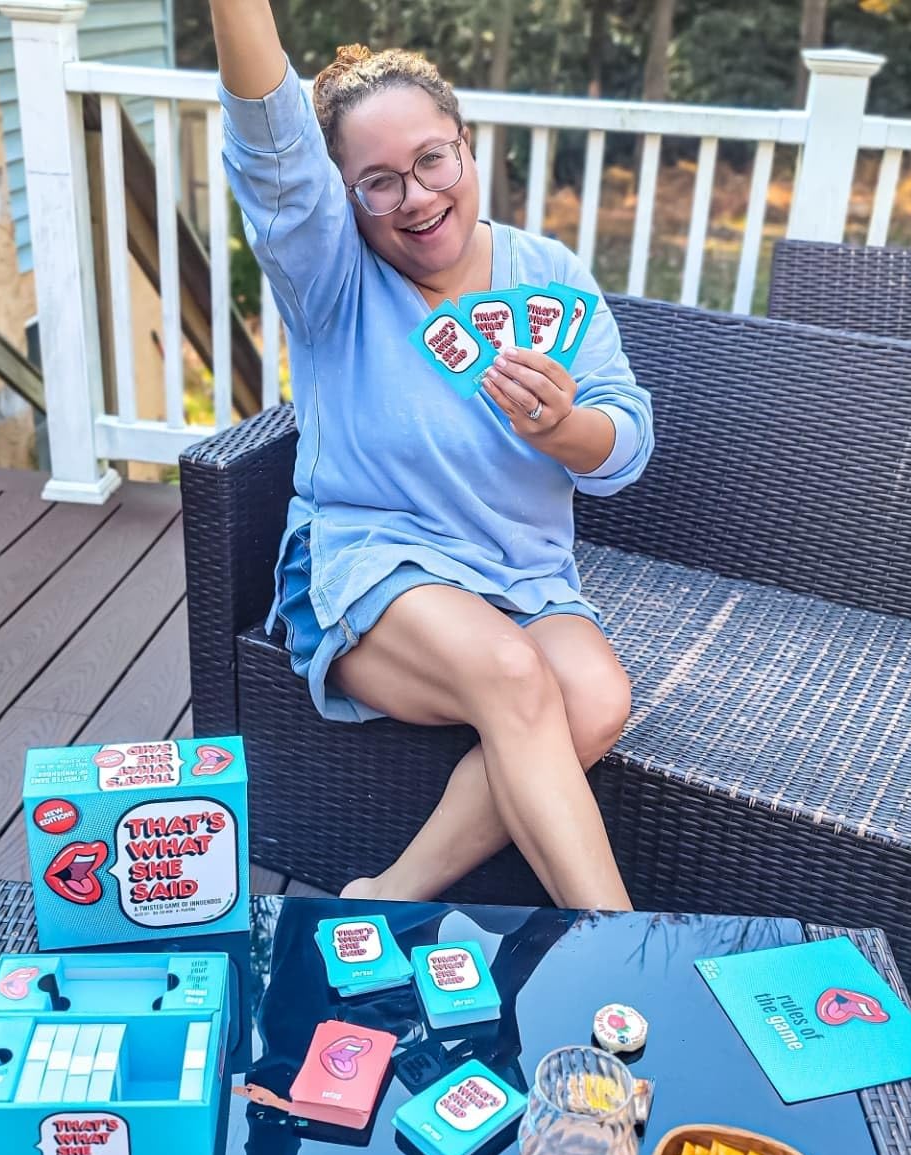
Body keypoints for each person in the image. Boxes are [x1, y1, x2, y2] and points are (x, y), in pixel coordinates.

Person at [209, 0, 655, 910]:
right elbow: (271, 142)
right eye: (377, 182)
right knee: (512, 674)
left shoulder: (549, 273)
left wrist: (562, 429)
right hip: (371, 564)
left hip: (522, 576)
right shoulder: (332, 278)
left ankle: (386, 892)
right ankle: (622, 948)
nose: (414, 196)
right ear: (343, 198)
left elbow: (625, 440)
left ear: (465, 146)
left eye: (431, 160)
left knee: (596, 699)